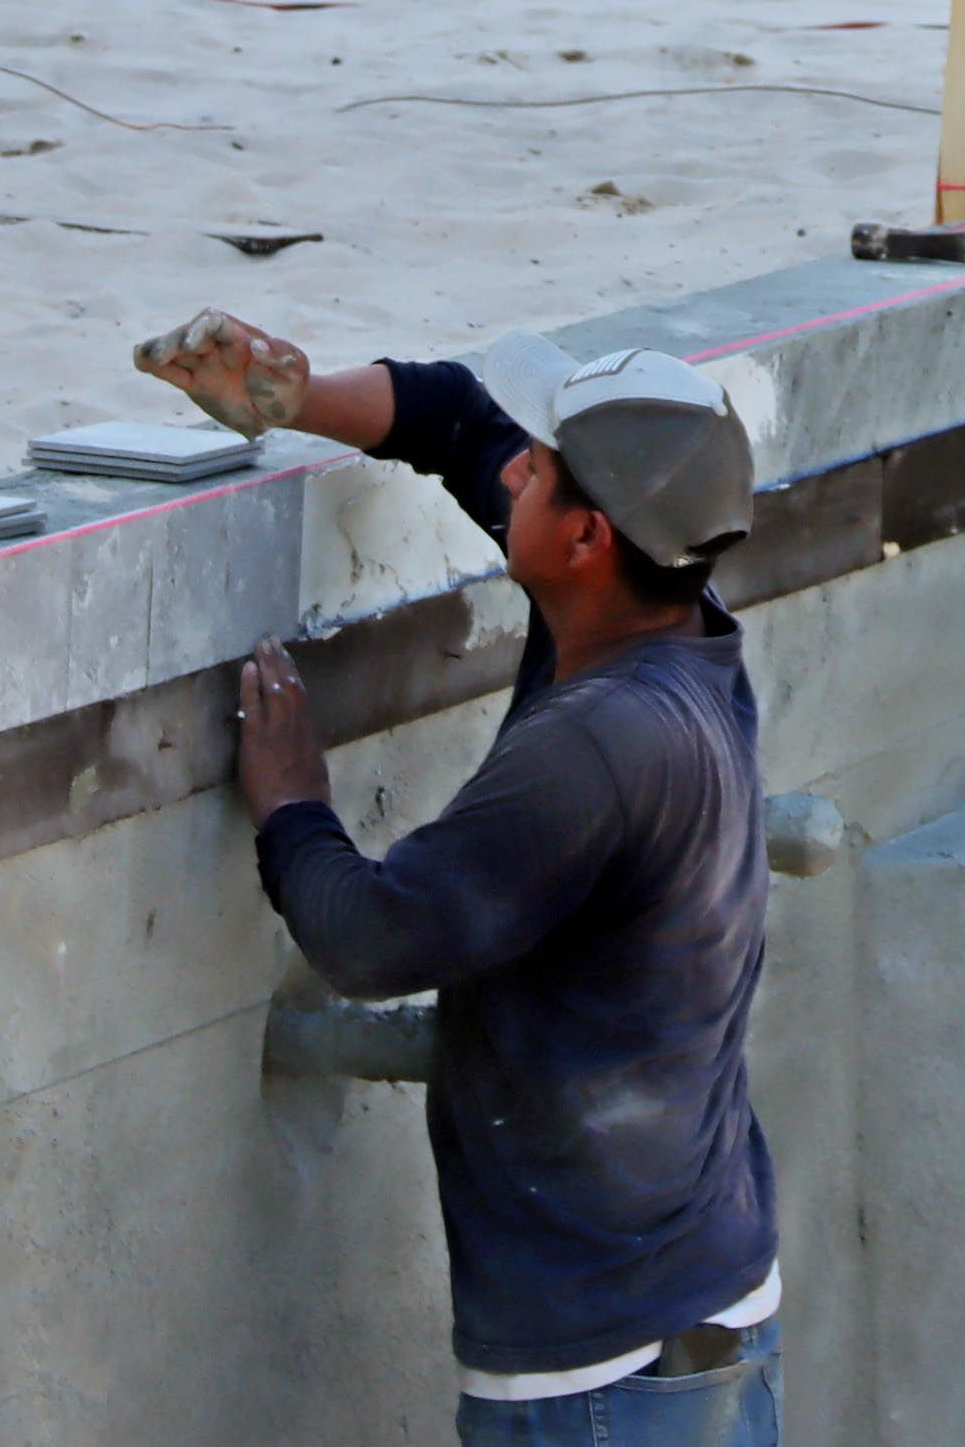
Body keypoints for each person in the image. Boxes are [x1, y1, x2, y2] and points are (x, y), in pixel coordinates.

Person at [138, 312, 782, 1447]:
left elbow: (374, 939)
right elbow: (453, 418)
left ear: (584, 535)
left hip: (602, 1370)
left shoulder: (597, 746)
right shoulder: (659, 613)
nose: (512, 470)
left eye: (536, 469)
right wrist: (297, 393)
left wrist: (291, 798)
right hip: (698, 1306)